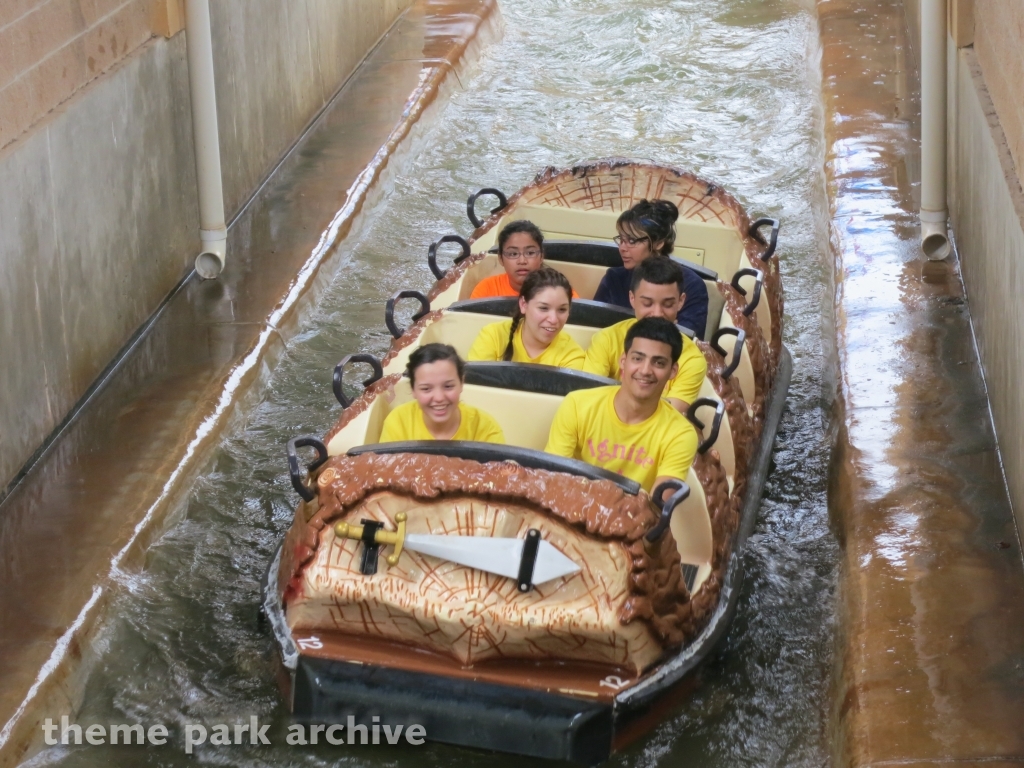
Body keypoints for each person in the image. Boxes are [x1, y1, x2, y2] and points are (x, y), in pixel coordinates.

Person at [545, 317, 699, 495]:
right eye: (637, 358)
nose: (645, 370)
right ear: (623, 361)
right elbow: (552, 481)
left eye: (659, 363)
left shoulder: (681, 433)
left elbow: (659, 506)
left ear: (673, 371)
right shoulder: (577, 404)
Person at [584, 257, 707, 413]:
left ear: (681, 301)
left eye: (667, 304)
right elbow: (590, 400)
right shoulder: (606, 339)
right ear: (632, 299)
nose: (656, 313)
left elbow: (669, 417)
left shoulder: (692, 360)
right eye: (647, 304)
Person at [593, 199, 710, 338]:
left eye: (632, 241)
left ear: (659, 243)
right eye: (622, 240)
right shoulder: (613, 279)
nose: (622, 248)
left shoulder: (692, 286)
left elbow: (687, 341)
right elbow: (595, 330)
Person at [379, 343, 504, 443]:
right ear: (413, 390)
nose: (439, 398)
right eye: (426, 389)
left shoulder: (484, 429)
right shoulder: (398, 423)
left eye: (448, 386)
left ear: (461, 383)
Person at [467, 267, 586, 369]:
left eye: (562, 310)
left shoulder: (573, 356)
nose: (553, 319)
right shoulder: (493, 336)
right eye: (543, 308)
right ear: (523, 304)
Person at [470, 220, 577, 299]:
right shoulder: (486, 290)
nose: (522, 261)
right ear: (501, 259)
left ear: (541, 256)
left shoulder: (562, 292)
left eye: (530, 253)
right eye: (513, 254)